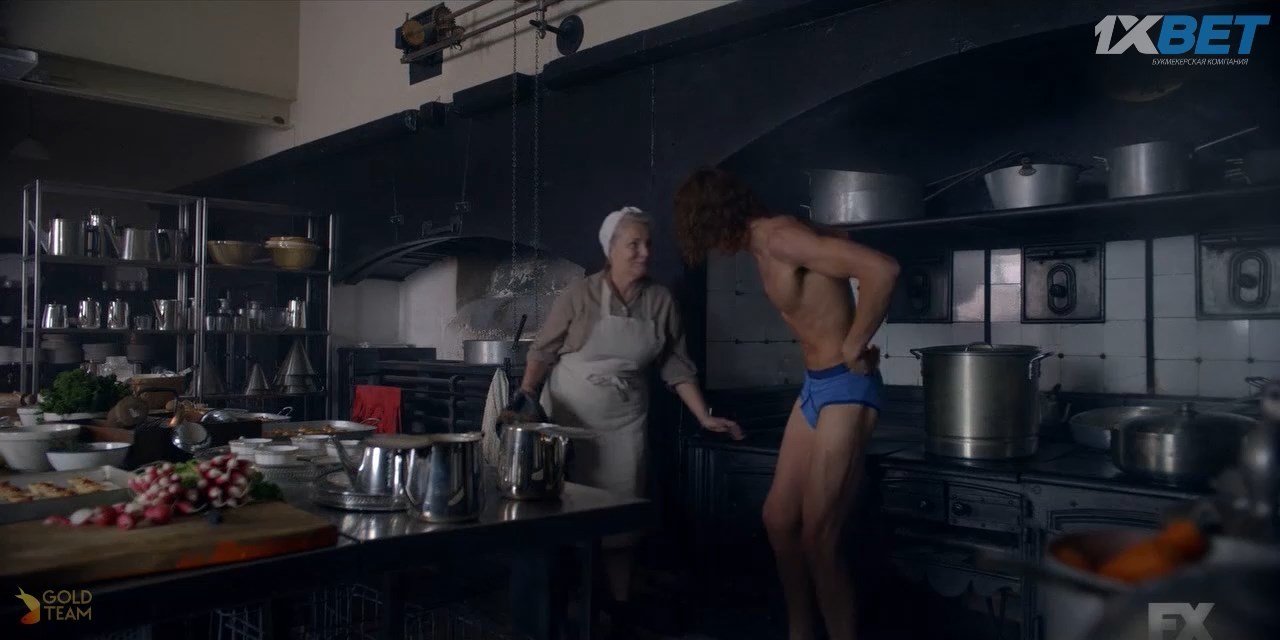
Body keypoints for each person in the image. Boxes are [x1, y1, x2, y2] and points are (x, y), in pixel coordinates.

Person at [673, 168, 900, 640]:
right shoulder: (768, 242)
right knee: (778, 520)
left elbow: (882, 269)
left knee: (820, 536)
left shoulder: (780, 237)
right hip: (815, 387)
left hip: (846, 388)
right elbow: (838, 257)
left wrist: (855, 343)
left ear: (715, 219)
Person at [507, 206, 743, 612]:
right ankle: (568, 602)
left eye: (648, 244)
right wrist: (527, 397)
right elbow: (543, 352)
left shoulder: (660, 301)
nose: (644, 252)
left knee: (622, 514)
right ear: (611, 249)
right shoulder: (579, 296)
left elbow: (676, 367)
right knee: (564, 509)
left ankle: (619, 607)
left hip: (625, 422)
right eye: (634, 244)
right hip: (571, 418)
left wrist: (704, 416)